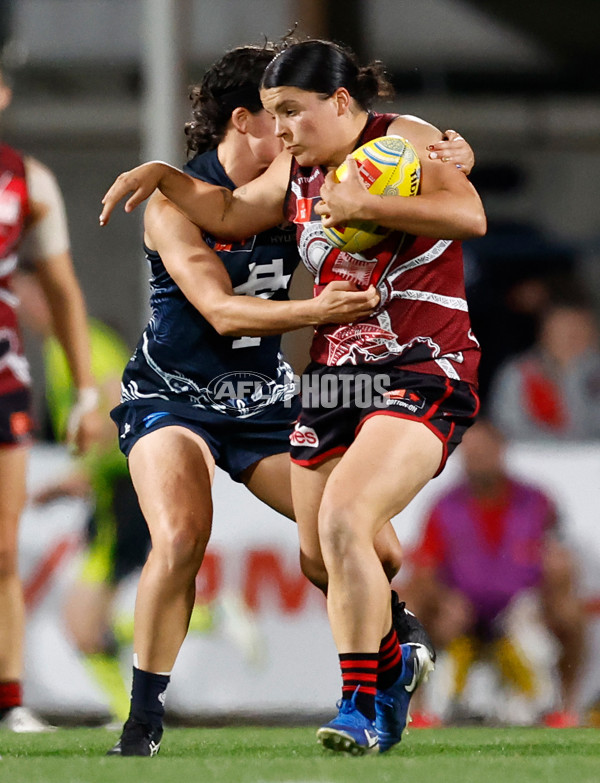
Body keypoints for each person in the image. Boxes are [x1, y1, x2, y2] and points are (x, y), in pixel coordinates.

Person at [99, 38, 486, 755]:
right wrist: (160, 173)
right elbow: (226, 226)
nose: (283, 130)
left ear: (339, 102)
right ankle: (386, 670)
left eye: (292, 113)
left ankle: (360, 704)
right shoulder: (287, 173)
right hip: (258, 385)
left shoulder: (400, 142)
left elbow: (468, 213)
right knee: (294, 548)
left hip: (407, 368)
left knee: (350, 526)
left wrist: (392, 186)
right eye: (273, 115)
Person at [0, 68, 102, 732]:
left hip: (2, 378)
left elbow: (62, 291)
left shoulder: (26, 180)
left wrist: (86, 392)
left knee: (3, 550)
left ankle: (9, 703)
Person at [12, 267, 149, 724]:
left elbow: (118, 411)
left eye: (27, 296)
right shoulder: (59, 348)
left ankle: (209, 617)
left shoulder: (79, 342)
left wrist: (82, 473)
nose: (22, 308)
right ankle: (128, 711)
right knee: (85, 622)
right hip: (115, 491)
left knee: (81, 622)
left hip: (123, 490)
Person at [405, 419, 585, 727]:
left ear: (501, 450)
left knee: (570, 612)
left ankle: (566, 708)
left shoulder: (536, 501)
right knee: (409, 605)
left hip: (522, 608)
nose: (477, 459)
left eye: (484, 450)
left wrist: (550, 590)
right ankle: (418, 710)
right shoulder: (444, 506)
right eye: (470, 451)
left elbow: (561, 557)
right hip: (461, 609)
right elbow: (425, 568)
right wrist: (446, 600)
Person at [488, 299, 600, 441]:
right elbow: (506, 426)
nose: (570, 337)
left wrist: (573, 374)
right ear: (544, 333)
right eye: (562, 329)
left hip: (591, 457)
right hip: (532, 457)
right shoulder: (518, 372)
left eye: (579, 328)